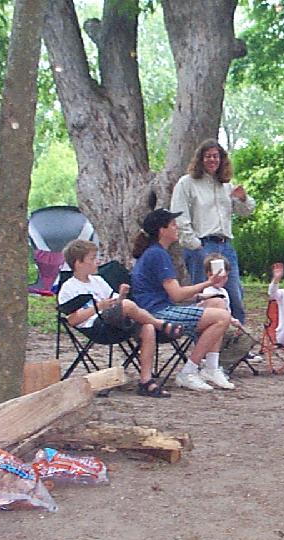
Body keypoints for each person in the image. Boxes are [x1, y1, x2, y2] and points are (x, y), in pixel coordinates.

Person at [58, 239, 181, 398]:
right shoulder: (69, 288)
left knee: (146, 327)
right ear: (78, 263)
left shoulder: (98, 281)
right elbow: (72, 320)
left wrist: (121, 294)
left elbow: (115, 302)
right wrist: (98, 307)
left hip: (114, 321)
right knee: (128, 306)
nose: (97, 261)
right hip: (96, 325)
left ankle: (146, 381)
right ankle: (160, 324)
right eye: (92, 258)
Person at [131, 208, 234, 392]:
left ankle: (211, 368)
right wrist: (208, 283)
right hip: (157, 314)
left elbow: (172, 294)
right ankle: (189, 371)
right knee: (222, 317)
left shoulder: (156, 252)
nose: (176, 227)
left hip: (161, 307)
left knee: (218, 303)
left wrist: (203, 295)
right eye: (172, 224)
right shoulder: (157, 254)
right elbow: (177, 295)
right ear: (162, 230)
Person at [171, 139, 255, 325]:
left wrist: (243, 199)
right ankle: (205, 343)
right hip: (202, 244)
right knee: (206, 295)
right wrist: (194, 244)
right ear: (200, 159)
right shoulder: (187, 183)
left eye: (216, 156)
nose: (212, 160)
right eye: (208, 156)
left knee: (234, 294)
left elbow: (245, 211)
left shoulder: (225, 185)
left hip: (225, 245)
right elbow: (179, 215)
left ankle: (237, 344)